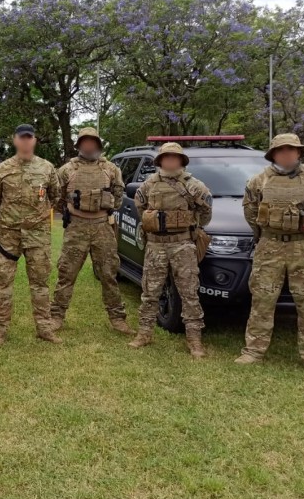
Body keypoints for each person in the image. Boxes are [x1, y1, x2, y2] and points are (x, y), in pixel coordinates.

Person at [236, 133, 304, 375]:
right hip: (270, 247)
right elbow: (251, 213)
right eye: (281, 150)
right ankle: (254, 350)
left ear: (299, 152)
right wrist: (269, 231)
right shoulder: (258, 181)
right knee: (262, 300)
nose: (286, 153)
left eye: (291, 149)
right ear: (273, 154)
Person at [129, 142, 212, 358]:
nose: (170, 161)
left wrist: (190, 226)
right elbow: (140, 207)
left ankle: (194, 340)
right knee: (150, 292)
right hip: (155, 245)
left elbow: (205, 212)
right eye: (166, 157)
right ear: (160, 161)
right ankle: (144, 333)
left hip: (182, 245)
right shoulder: (149, 185)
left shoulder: (193, 185)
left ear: (181, 161)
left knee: (189, 293)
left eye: (174, 157)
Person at [49, 127, 133, 336]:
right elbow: (56, 198)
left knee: (108, 274)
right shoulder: (67, 170)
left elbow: (118, 196)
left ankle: (118, 319)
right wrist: (73, 211)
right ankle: (56, 316)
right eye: (85, 142)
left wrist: (101, 211)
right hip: (76, 228)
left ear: (98, 144)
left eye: (92, 142)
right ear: (79, 145)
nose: (89, 146)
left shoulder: (111, 169)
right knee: (66, 273)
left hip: (102, 228)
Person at [0, 123, 61, 344]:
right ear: (15, 140)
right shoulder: (2, 169)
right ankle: (0, 329)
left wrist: (35, 216)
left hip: (38, 236)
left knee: (40, 283)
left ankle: (44, 328)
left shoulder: (47, 168)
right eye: (22, 137)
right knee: (3, 283)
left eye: (29, 137)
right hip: (9, 236)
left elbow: (55, 196)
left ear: (34, 140)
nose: (26, 141)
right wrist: (11, 217)